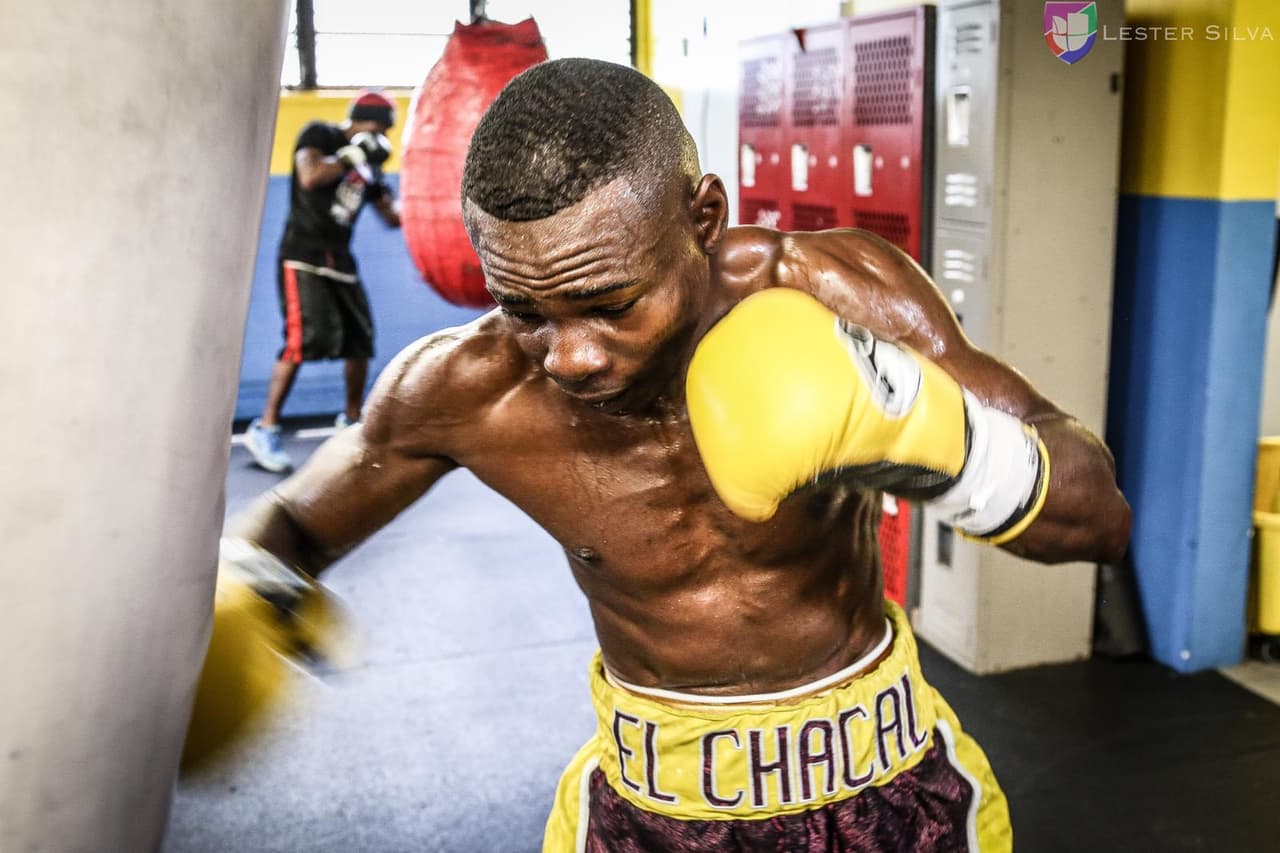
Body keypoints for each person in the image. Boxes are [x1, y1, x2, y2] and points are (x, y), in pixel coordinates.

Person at [213, 59, 1130, 851]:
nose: (569, 357)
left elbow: (1098, 517)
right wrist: (246, 594)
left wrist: (932, 438)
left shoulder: (836, 295)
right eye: (525, 310)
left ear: (705, 217)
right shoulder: (465, 387)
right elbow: (290, 524)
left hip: (881, 779)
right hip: (651, 807)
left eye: (611, 303)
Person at [242, 89, 403, 473]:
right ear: (363, 121)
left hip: (341, 258)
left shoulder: (371, 164)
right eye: (379, 128)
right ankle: (265, 428)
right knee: (302, 340)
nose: (381, 136)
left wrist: (425, 197)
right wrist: (352, 155)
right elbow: (310, 175)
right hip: (304, 255)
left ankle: (352, 424)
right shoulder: (321, 135)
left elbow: (391, 216)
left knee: (360, 340)